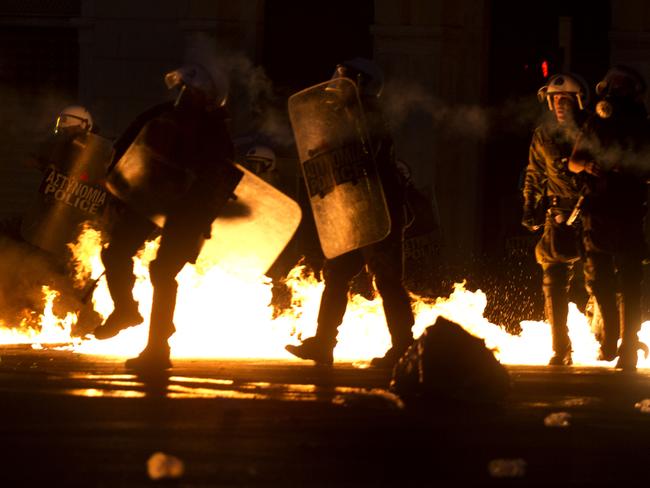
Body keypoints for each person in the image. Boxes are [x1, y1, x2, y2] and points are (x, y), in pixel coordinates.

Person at [92, 63, 238, 372]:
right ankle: (125, 310)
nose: (184, 94)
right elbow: (124, 150)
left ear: (206, 96)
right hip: (149, 198)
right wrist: (118, 192)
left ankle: (158, 348)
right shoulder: (159, 115)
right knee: (116, 251)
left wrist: (203, 219)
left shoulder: (214, 132)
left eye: (191, 90)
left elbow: (219, 179)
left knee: (162, 271)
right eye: (182, 89)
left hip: (188, 210)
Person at [285, 58, 415, 368]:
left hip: (377, 208)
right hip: (353, 209)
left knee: (386, 280)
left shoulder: (368, 115)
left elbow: (367, 156)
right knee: (337, 274)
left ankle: (405, 349)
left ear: (360, 83)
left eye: (345, 78)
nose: (337, 83)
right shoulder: (343, 115)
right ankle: (323, 343)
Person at [568, 65, 650, 371]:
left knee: (630, 280)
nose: (615, 90)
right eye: (611, 85)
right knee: (598, 279)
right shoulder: (595, 123)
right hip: (598, 212)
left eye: (621, 85)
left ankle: (629, 346)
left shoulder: (642, 125)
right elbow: (574, 162)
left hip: (627, 210)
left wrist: (625, 169)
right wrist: (589, 166)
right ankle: (611, 340)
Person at [522, 73, 591, 366]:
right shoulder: (543, 135)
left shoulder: (592, 131)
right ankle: (560, 347)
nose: (559, 105)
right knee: (553, 281)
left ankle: (604, 337)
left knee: (599, 282)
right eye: (555, 99)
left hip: (591, 213)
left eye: (565, 99)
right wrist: (529, 206)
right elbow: (535, 173)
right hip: (557, 214)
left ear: (578, 101)